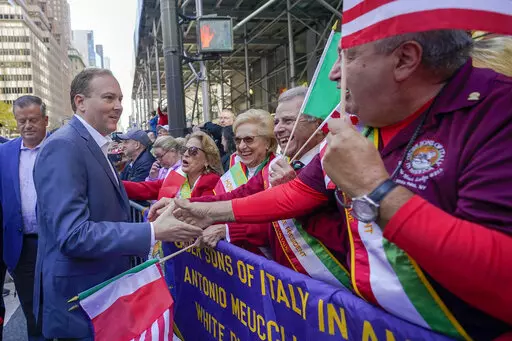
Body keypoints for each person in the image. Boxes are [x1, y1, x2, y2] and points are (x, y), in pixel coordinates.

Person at [160, 30, 512, 339]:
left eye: (350, 55)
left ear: (405, 59)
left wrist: (376, 190)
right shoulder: (362, 124)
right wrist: (204, 211)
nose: (333, 73)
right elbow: (296, 194)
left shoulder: (498, 110)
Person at [32, 68, 204, 340]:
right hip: (81, 304)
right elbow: (73, 235)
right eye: (109, 98)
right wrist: (152, 232)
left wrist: (151, 219)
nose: (118, 106)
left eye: (120, 98)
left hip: (102, 296)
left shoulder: (90, 144)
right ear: (80, 102)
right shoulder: (65, 146)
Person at [0, 95, 49, 341]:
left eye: (33, 119)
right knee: (32, 311)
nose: (27, 125)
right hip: (22, 248)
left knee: (63, 307)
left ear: (45, 120)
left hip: (57, 245)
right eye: (22, 121)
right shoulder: (4, 153)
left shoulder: (60, 148)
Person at [199, 109, 277, 255]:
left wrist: (227, 230)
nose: (241, 146)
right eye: (238, 140)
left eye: (249, 140)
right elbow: (219, 200)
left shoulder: (277, 170)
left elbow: (276, 226)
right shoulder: (234, 170)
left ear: (268, 142)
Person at [123, 131, 223, 202]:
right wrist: (114, 183)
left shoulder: (212, 181)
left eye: (193, 150)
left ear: (207, 159)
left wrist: (171, 205)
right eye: (184, 149)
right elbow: (145, 189)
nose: (186, 154)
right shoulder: (178, 176)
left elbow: (200, 212)